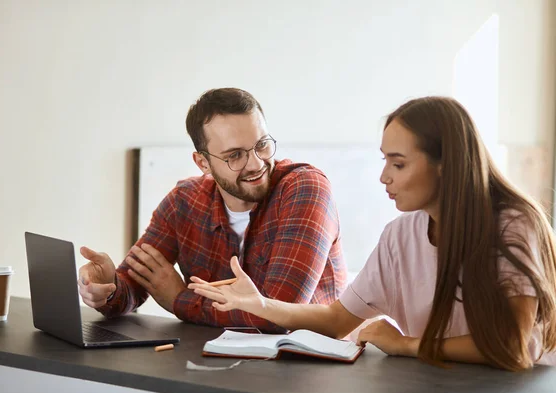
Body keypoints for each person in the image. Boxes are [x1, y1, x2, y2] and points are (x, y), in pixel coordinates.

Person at [189, 96, 556, 371]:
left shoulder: (514, 225)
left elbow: (514, 347)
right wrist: (261, 305)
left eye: (398, 163)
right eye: (385, 161)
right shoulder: (400, 236)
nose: (384, 177)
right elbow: (336, 321)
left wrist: (408, 345)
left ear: (447, 164)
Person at [77, 88, 348, 332]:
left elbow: (279, 314)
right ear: (202, 163)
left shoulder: (306, 188)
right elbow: (134, 285)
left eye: (262, 145)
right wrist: (107, 288)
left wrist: (178, 299)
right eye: (235, 155)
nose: (256, 164)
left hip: (309, 368)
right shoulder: (184, 201)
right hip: (218, 366)